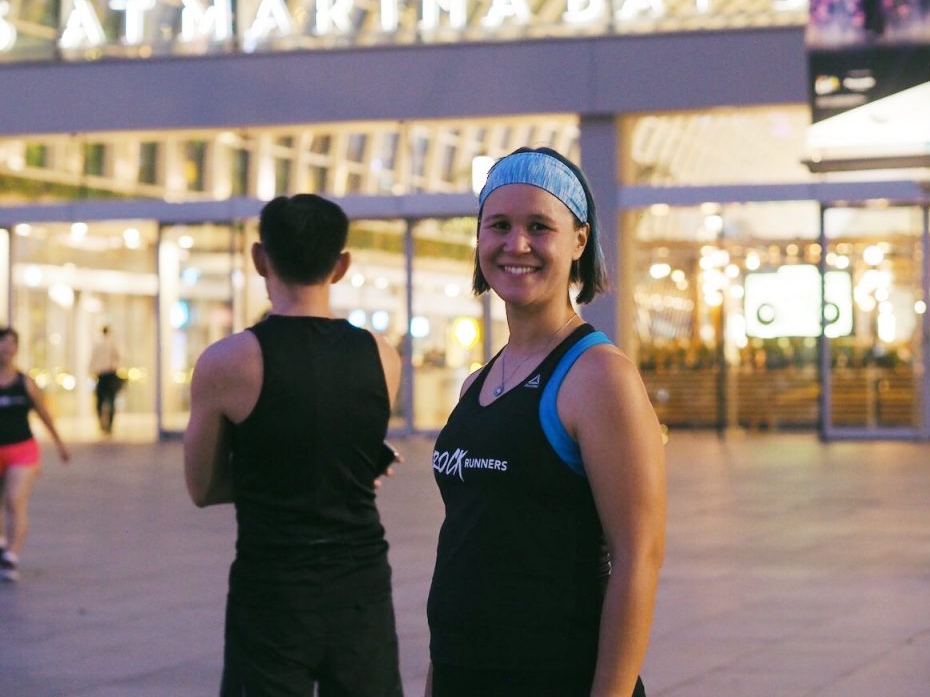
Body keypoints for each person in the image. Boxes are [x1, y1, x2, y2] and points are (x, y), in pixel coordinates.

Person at [426, 147, 667, 696]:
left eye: (539, 227)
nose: (517, 245)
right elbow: (466, 547)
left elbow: (639, 557)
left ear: (579, 240)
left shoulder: (599, 376)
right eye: (499, 226)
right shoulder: (478, 383)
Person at [183, 194, 404, 697]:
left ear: (260, 258)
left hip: (272, 585)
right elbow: (346, 455)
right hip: (361, 583)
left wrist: (276, 478)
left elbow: (202, 488)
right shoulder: (382, 356)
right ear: (341, 266)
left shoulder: (227, 362)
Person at [0, 326, 70, 582]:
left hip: (22, 450)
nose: (7, 348)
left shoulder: (25, 382)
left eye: (12, 343)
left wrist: (59, 443)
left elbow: (43, 412)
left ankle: (11, 556)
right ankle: (2, 542)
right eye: (3, 342)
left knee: (14, 500)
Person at [89, 325, 121, 435]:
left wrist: (91, 371)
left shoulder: (97, 345)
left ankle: (101, 424)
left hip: (101, 375)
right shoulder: (112, 344)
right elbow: (118, 357)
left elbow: (92, 360)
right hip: (110, 374)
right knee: (111, 400)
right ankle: (109, 425)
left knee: (100, 400)